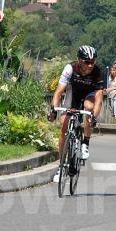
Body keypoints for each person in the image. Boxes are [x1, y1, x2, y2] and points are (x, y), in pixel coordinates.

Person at [48, 45, 105, 183]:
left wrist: (93, 117)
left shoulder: (97, 72)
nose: (91, 65)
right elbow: (58, 92)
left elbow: (99, 99)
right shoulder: (70, 69)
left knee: (88, 107)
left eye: (93, 61)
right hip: (73, 94)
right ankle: (61, 166)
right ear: (79, 60)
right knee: (63, 125)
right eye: (87, 62)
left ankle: (85, 142)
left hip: (89, 95)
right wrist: (53, 110)